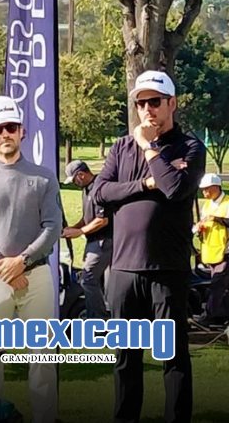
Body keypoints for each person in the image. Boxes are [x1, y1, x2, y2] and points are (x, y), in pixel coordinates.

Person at [93, 70, 206, 423]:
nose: (147, 110)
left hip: (167, 270)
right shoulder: (121, 147)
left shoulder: (189, 147)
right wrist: (142, 184)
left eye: (154, 102)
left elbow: (174, 187)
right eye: (140, 103)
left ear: (171, 103)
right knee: (125, 358)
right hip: (124, 270)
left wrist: (149, 148)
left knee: (172, 358)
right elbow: (100, 192)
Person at [0, 95, 62, 423]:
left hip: (35, 277)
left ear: (22, 130)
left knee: (43, 358)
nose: (6, 133)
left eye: (11, 126)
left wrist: (22, 261)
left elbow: (53, 227)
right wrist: (6, 269)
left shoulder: (44, 177)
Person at [62, 159, 113, 319]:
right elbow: (87, 218)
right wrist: (73, 228)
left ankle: (98, 318)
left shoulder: (99, 187)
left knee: (87, 278)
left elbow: (102, 220)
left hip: (104, 241)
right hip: (94, 241)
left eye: (74, 179)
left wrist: (80, 232)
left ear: (81, 175)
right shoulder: (86, 190)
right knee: (103, 282)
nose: (74, 183)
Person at [193, 173, 229, 327]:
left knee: (218, 284)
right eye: (203, 190)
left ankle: (211, 315)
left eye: (207, 189)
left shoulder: (227, 204)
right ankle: (220, 314)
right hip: (212, 251)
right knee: (218, 284)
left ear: (216, 187)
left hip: (225, 250)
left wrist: (217, 219)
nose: (204, 193)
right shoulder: (207, 205)